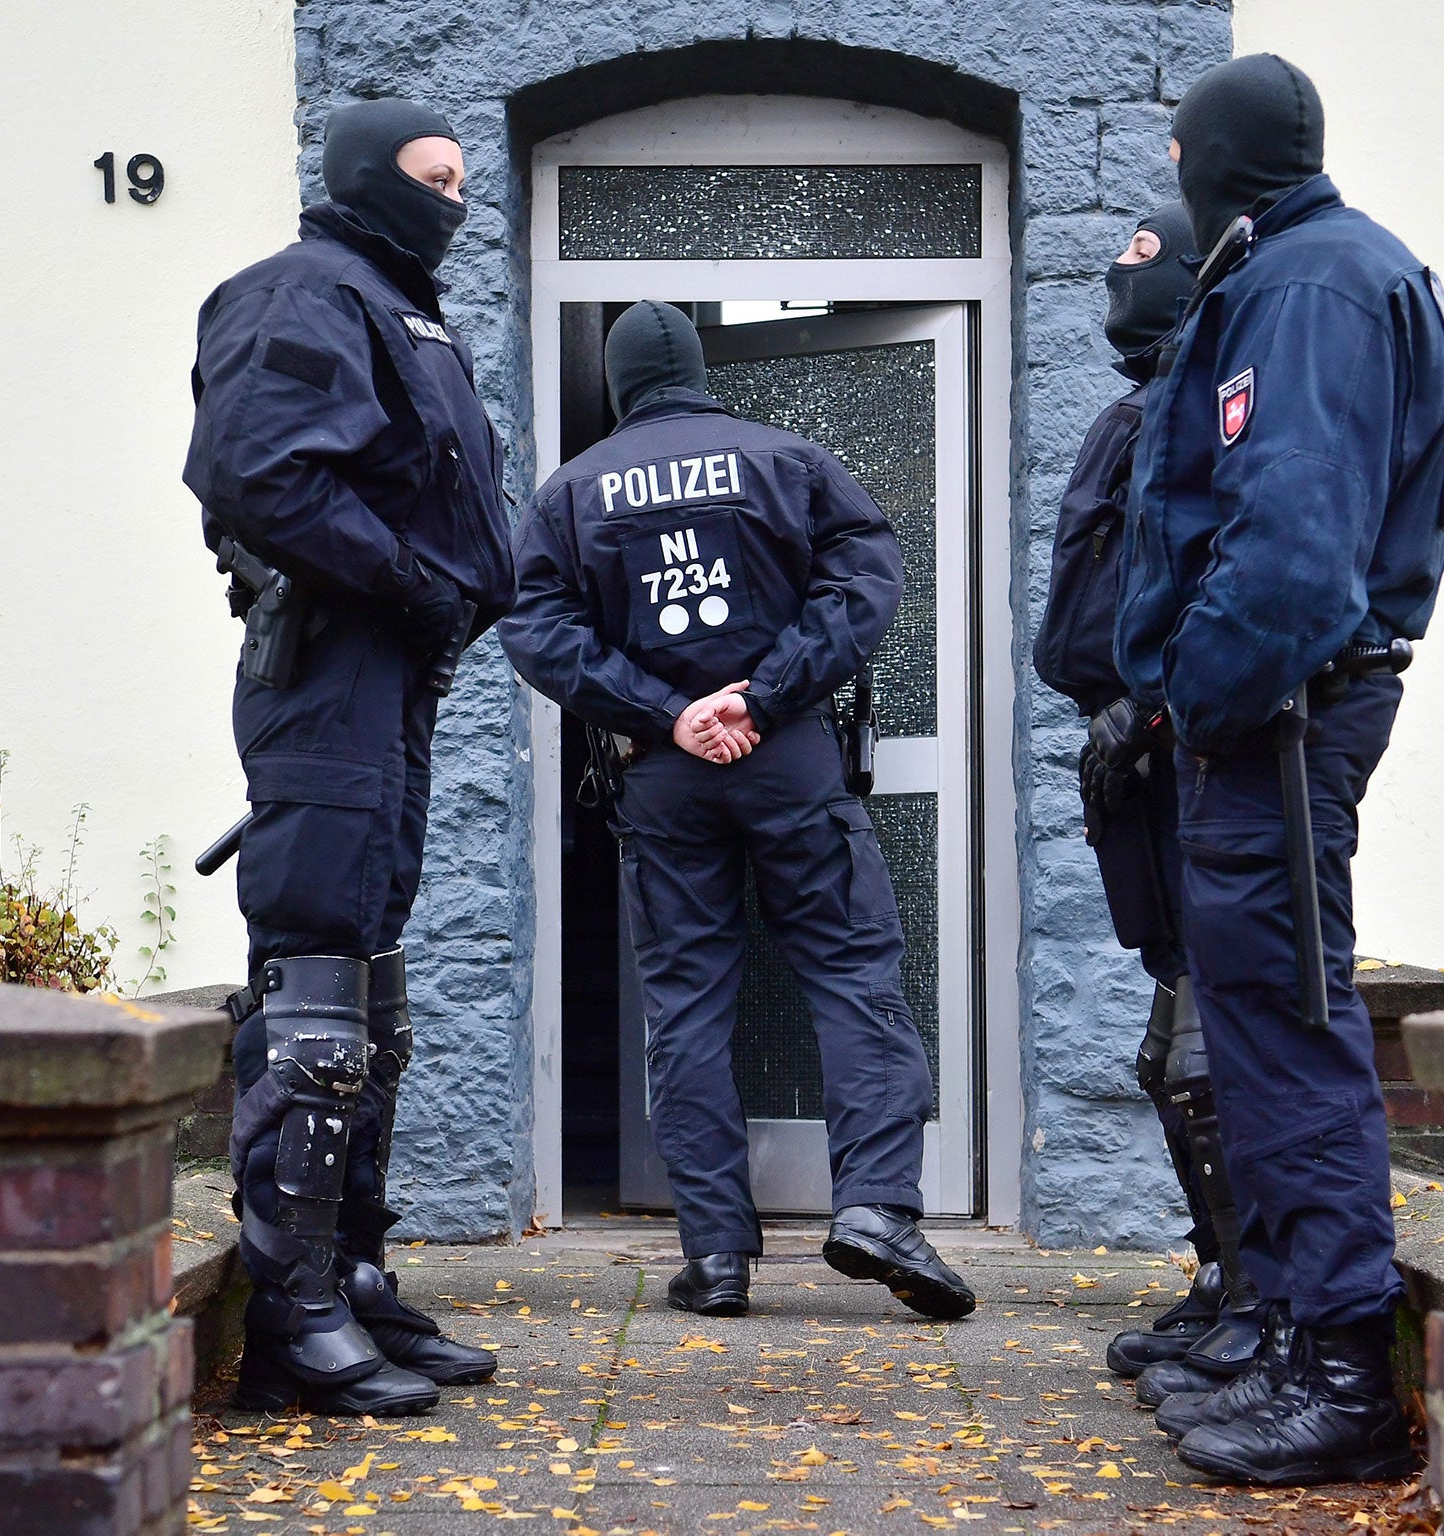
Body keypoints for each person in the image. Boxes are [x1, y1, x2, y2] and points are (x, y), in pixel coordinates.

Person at [1108, 54, 1444, 1485]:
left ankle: (1338, 1375)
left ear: (1218, 156)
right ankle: (1286, 1337)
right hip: (1278, 711)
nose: (1180, 177)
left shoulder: (1308, 286)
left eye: (1186, 152)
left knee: (1286, 1030)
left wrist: (1198, 700)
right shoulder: (1309, 265)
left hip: (1279, 715)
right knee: (1257, 1028)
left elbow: (1290, 540)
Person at [499, 301, 974, 1322]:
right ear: (699, 370)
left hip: (661, 776)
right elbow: (863, 582)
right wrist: (758, 698)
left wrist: (670, 714)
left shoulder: (572, 493)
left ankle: (715, 1257)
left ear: (621, 384)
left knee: (685, 1006)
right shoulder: (787, 461)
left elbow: (535, 630)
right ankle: (878, 1210)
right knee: (852, 975)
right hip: (787, 755)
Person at [183, 98, 517, 1415]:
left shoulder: (395, 304)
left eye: (460, 182)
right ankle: (290, 1306)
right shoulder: (302, 293)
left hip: (390, 668)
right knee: (318, 972)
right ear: (370, 178)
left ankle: (354, 1276)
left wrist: (443, 600)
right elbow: (258, 474)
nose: (453, 201)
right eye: (431, 178)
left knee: (370, 980)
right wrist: (411, 583)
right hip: (326, 659)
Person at [1031, 201, 1267, 1402]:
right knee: (1170, 1032)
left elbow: (1229, 575)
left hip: (1180, 745)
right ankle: (1219, 1277)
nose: (1112, 281)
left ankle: (1255, 1295)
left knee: (1202, 1039)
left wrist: (1156, 702)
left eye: (1136, 261)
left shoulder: (1211, 409)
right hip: (1123, 753)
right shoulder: (1137, 412)